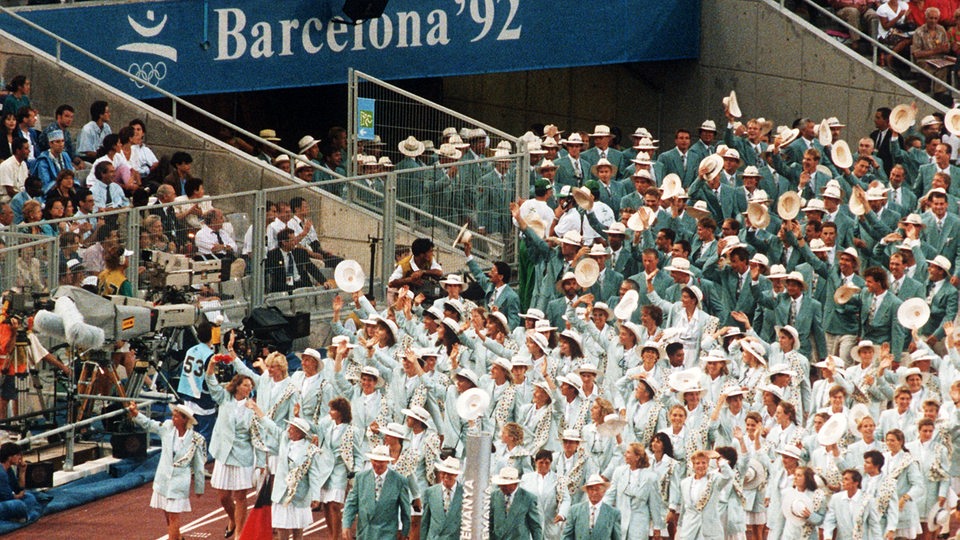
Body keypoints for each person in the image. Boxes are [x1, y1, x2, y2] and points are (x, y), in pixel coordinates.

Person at [127, 402, 206, 540]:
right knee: (168, 515)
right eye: (173, 415)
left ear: (185, 419)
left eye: (176, 417)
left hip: (179, 483)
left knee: (174, 516)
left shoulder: (196, 439)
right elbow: (150, 424)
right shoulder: (167, 427)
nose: (173, 418)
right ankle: (178, 537)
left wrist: (199, 487)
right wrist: (136, 414)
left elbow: (199, 466)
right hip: (163, 480)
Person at [246, 407, 327, 540]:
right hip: (281, 492)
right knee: (281, 526)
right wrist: (257, 410)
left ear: (300, 433)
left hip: (299, 495)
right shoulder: (285, 439)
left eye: (292, 428)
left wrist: (316, 496)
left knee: (297, 528)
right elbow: (270, 426)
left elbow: (314, 475)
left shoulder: (310, 450)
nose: (288, 430)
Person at [205, 355, 256, 539]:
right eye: (245, 385)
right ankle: (232, 518)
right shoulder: (225, 398)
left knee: (240, 497)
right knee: (223, 496)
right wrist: (211, 364)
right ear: (236, 386)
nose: (248, 388)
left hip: (243, 455)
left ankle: (240, 533)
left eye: (251, 386)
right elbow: (211, 381)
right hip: (224, 453)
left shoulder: (252, 406)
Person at [342, 444, 412, 540]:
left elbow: (405, 510)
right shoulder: (360, 478)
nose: (378, 464)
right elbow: (351, 504)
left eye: (381, 461)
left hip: (387, 534)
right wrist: (346, 525)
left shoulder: (399, 480)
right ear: (370, 460)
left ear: (388, 461)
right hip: (365, 533)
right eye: (375, 461)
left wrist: (405, 533)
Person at [489, 465, 543, 540]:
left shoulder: (528, 498)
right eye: (501, 484)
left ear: (515, 484)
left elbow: (536, 527)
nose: (502, 487)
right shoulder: (494, 496)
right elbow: (489, 523)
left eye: (505, 485)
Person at [561, 473, 621, 539]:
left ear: (604, 491)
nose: (594, 492)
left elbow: (617, 538)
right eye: (591, 489)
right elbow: (567, 536)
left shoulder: (613, 513)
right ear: (587, 491)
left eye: (597, 489)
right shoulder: (574, 510)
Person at [264, 227, 325, 293]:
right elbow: (267, 274)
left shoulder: (300, 252)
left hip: (301, 284)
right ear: (284, 242)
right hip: (284, 287)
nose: (295, 242)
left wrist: (324, 281)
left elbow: (311, 268)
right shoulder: (273, 255)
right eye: (292, 240)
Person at [420, 457, 464, 540]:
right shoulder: (430, 492)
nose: (446, 476)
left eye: (450, 473)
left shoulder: (465, 493)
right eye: (443, 473)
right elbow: (425, 522)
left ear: (456, 475)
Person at [0, 442, 40, 523]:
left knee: (30, 496)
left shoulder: (8, 469)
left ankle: (20, 517)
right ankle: (24, 516)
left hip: (5, 501)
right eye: (18, 455)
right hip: (3, 503)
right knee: (18, 505)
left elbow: (18, 488)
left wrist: (22, 472)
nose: (20, 458)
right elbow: (8, 497)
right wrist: (19, 495)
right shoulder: (1, 473)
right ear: (10, 457)